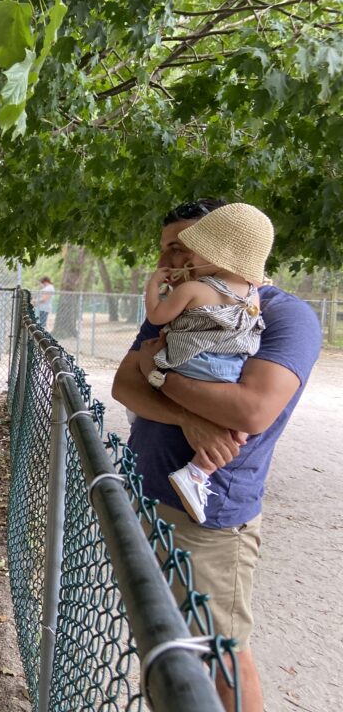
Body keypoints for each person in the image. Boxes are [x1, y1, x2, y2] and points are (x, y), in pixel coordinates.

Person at [111, 199, 321, 712]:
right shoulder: (184, 299)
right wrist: (188, 416)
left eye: (185, 247)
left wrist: (161, 375)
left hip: (208, 515)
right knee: (167, 642)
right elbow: (124, 385)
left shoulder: (284, 315)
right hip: (148, 493)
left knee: (221, 653)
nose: (172, 260)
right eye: (167, 249)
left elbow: (251, 409)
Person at [142, 203, 273, 524]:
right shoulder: (253, 297)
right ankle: (198, 471)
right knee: (237, 431)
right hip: (228, 373)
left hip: (188, 364)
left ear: (218, 255)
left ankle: (195, 473)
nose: (187, 260)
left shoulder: (192, 290)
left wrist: (152, 287)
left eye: (191, 250)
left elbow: (156, 316)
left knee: (230, 421)